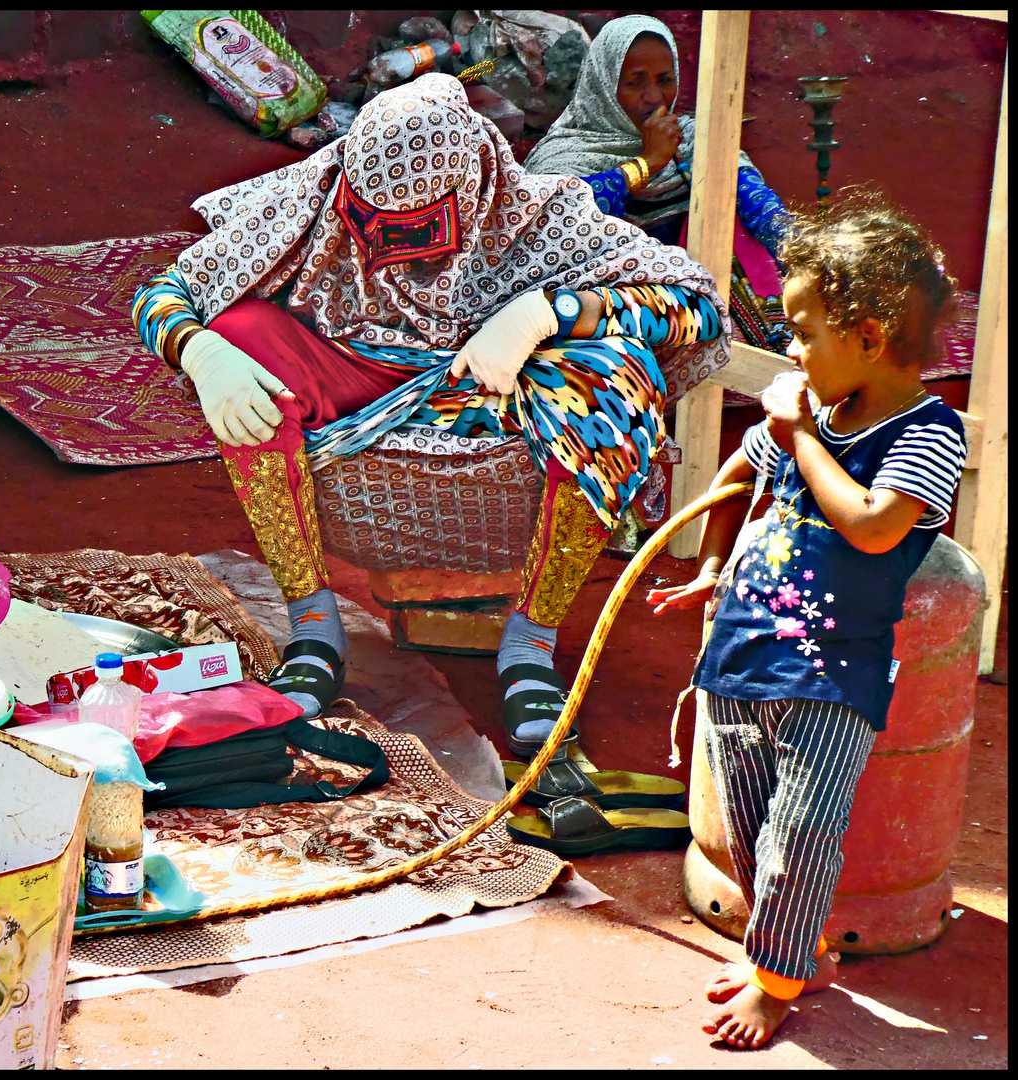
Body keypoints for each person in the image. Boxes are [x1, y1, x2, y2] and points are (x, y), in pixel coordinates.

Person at [132, 73, 729, 761]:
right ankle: (312, 624)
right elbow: (167, 290)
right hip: (350, 376)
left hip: (484, 392)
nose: (382, 243)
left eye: (414, 227)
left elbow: (695, 307)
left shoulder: (537, 216)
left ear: (469, 193)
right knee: (237, 331)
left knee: (612, 371)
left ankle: (530, 641)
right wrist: (199, 349)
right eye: (365, 216)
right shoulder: (311, 192)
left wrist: (547, 313)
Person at [646, 193, 965, 1048]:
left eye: (802, 331)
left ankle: (778, 980)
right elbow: (731, 483)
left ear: (865, 334)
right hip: (742, 655)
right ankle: (787, 948)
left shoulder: (927, 434)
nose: (789, 351)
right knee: (751, 832)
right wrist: (710, 569)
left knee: (801, 834)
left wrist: (798, 440)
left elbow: (871, 526)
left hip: (831, 677)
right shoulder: (810, 419)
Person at [523, 14, 793, 351]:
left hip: (710, 323)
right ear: (604, 86)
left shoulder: (696, 139)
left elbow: (758, 206)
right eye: (635, 82)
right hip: (610, 333)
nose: (654, 96)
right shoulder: (563, 156)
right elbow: (554, 223)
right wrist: (646, 165)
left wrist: (807, 253)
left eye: (665, 79)